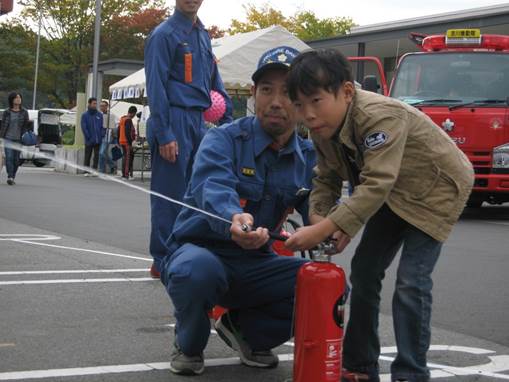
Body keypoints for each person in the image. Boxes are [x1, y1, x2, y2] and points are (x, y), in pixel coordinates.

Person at [285, 49, 474, 382]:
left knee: (412, 282)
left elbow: (377, 183)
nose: (309, 114)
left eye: (316, 101)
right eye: (299, 105)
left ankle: (411, 373)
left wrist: (335, 224)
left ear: (345, 92)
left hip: (436, 189)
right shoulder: (322, 128)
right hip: (395, 191)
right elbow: (327, 178)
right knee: (365, 269)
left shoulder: (378, 114)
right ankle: (360, 365)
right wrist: (320, 221)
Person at [161, 46, 315, 376]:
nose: (275, 101)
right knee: (195, 272)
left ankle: (246, 331)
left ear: (303, 102)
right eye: (266, 90)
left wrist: (332, 226)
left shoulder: (310, 156)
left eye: (287, 92)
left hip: (256, 265)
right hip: (201, 252)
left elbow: (320, 207)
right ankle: (188, 343)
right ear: (252, 94)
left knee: (325, 285)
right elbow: (213, 185)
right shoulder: (222, 139)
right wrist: (234, 216)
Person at [144, 0, 233, 278]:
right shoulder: (163, 35)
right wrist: (164, 132)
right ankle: (163, 259)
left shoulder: (203, 35)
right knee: (169, 195)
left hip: (199, 121)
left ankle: (185, 253)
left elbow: (213, 79)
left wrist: (228, 120)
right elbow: (155, 84)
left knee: (197, 194)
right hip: (173, 117)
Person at [0, 92, 30, 185]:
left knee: (16, 160)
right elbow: (3, 125)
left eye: (19, 98)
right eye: (16, 98)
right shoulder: (7, 112)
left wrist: (25, 134)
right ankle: (10, 177)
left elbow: (26, 125)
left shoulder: (24, 112)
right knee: (9, 157)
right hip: (8, 138)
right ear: (12, 100)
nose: (18, 99)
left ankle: (13, 175)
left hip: (19, 139)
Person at [80, 97, 103, 175]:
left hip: (98, 140)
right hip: (89, 140)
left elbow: (102, 127)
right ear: (89, 104)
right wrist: (88, 137)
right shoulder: (85, 115)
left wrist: (101, 135)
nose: (95, 105)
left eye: (96, 103)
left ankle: (94, 170)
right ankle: (86, 171)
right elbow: (84, 127)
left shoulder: (99, 115)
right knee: (88, 155)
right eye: (94, 103)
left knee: (96, 156)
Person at [98, 100, 118, 174]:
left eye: (103, 106)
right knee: (103, 153)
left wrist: (113, 129)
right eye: (101, 106)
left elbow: (117, 124)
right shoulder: (99, 114)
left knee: (102, 152)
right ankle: (109, 167)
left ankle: (102, 169)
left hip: (107, 136)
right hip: (99, 136)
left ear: (107, 106)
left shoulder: (111, 115)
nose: (101, 107)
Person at [118, 106, 137, 180]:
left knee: (127, 157)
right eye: (134, 114)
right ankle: (125, 175)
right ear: (133, 113)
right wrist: (130, 142)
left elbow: (118, 130)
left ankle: (126, 173)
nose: (134, 116)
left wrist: (118, 140)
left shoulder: (122, 118)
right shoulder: (128, 120)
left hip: (121, 140)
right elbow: (127, 132)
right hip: (126, 142)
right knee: (127, 158)